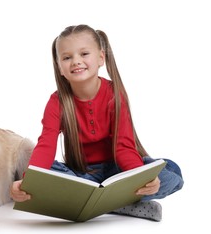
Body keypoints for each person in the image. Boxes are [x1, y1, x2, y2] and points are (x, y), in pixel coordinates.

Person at [10, 24, 184, 221]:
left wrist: (141, 177)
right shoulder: (56, 102)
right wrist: (28, 182)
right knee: (44, 173)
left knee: (171, 172)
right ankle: (120, 205)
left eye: (84, 54)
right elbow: (46, 146)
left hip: (119, 172)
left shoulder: (115, 95)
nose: (76, 61)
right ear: (60, 67)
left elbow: (124, 147)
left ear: (101, 57)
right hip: (83, 175)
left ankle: (101, 203)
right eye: (67, 57)